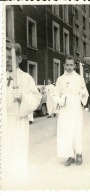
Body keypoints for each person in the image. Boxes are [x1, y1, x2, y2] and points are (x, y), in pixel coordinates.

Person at [2, 42, 41, 184]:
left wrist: (23, 97)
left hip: (18, 121)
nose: (6, 60)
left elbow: (36, 98)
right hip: (3, 121)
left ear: (19, 59)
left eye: (9, 57)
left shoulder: (26, 78)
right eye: (3, 57)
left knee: (17, 152)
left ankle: (17, 183)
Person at [53, 56, 89, 166]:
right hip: (64, 108)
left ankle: (78, 153)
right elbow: (55, 94)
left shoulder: (79, 78)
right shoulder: (60, 79)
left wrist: (83, 94)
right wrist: (59, 100)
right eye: (67, 64)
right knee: (66, 131)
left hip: (75, 107)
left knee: (76, 130)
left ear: (74, 65)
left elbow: (85, 92)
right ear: (64, 65)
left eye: (71, 65)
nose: (69, 67)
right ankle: (70, 155)